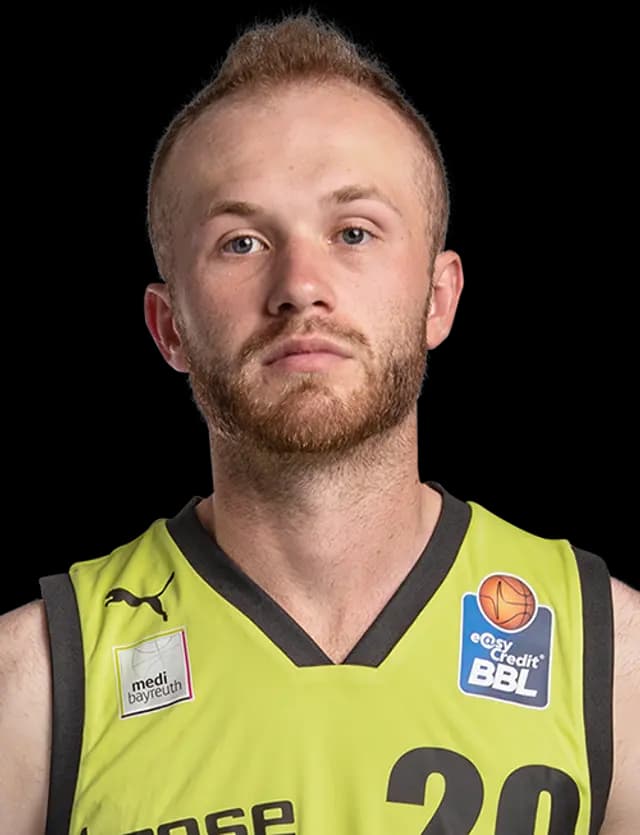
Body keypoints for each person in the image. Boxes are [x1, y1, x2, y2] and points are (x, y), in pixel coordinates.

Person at [1, 11, 638, 835]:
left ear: (439, 298)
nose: (301, 285)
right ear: (169, 327)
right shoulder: (37, 682)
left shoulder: (610, 653)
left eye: (353, 232)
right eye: (241, 242)